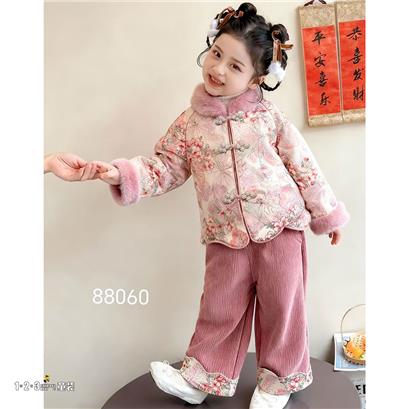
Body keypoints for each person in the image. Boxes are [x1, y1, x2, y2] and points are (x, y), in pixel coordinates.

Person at [59, 3, 350, 408]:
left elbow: (304, 166)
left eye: (235, 66)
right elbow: (164, 167)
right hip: (223, 234)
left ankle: (278, 382)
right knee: (219, 308)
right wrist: (117, 173)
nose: (219, 69)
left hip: (280, 227)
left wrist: (327, 213)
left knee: (283, 307)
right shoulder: (189, 124)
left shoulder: (268, 117)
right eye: (217, 54)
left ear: (256, 78)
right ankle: (201, 379)